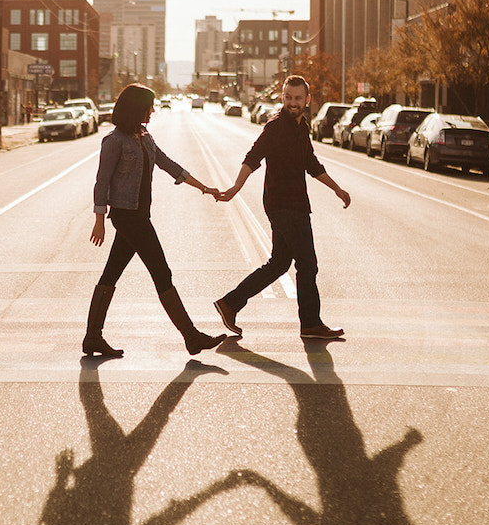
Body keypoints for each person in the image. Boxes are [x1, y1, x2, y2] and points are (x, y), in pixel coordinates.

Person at [84, 83, 227, 358]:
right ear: (136, 108)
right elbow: (101, 183)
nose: (152, 110)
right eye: (149, 106)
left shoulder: (144, 137)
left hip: (139, 215)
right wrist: (99, 219)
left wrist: (204, 188)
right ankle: (191, 336)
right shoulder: (114, 141)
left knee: (111, 274)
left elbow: (168, 164)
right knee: (162, 273)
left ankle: (92, 337)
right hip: (127, 217)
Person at [214, 74, 351, 340]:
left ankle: (230, 303)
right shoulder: (276, 127)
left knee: (279, 263)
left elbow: (311, 163)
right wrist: (235, 188)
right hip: (283, 204)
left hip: (295, 202)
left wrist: (336, 188)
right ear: (282, 97)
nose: (292, 102)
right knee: (307, 264)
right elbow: (253, 157)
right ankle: (310, 323)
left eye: (298, 98)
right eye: (288, 97)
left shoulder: (302, 127)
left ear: (307, 100)